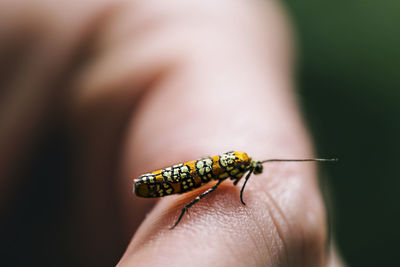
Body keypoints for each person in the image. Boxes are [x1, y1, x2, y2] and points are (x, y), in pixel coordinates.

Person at [0, 0, 344, 266]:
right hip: (174, 180)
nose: (251, 174)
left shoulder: (236, 167)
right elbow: (214, 187)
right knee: (194, 193)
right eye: (251, 170)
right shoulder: (234, 169)